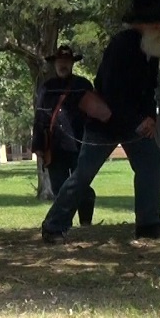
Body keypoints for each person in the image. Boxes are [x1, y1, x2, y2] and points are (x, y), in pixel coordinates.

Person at [40, 0, 160, 244]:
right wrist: (136, 121)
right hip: (107, 122)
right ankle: (53, 225)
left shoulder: (151, 47)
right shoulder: (122, 45)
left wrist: (150, 116)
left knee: (151, 160)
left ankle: (148, 224)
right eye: (155, 21)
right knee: (84, 174)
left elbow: (149, 88)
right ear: (140, 22)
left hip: (133, 122)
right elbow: (111, 91)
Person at [31, 45, 97, 226]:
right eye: (60, 62)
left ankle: (85, 224)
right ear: (55, 64)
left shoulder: (83, 85)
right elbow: (40, 117)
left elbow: (93, 115)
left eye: (67, 62)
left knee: (82, 187)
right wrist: (38, 146)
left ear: (72, 64)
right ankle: (62, 225)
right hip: (55, 148)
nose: (63, 65)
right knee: (59, 189)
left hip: (80, 147)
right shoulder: (47, 88)